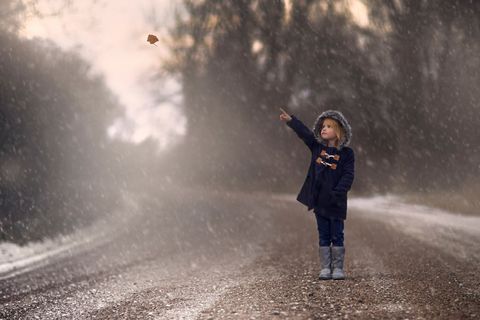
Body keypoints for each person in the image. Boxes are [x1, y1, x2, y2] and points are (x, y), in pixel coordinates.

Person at [279, 108, 355, 280]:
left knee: (337, 234)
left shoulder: (347, 154)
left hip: (336, 202)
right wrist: (291, 121)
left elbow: (348, 175)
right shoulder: (317, 148)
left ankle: (338, 268)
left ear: (339, 131)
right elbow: (305, 134)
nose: (324, 128)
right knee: (323, 234)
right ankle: (325, 268)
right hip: (319, 202)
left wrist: (338, 192)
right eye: (323, 126)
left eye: (329, 126)